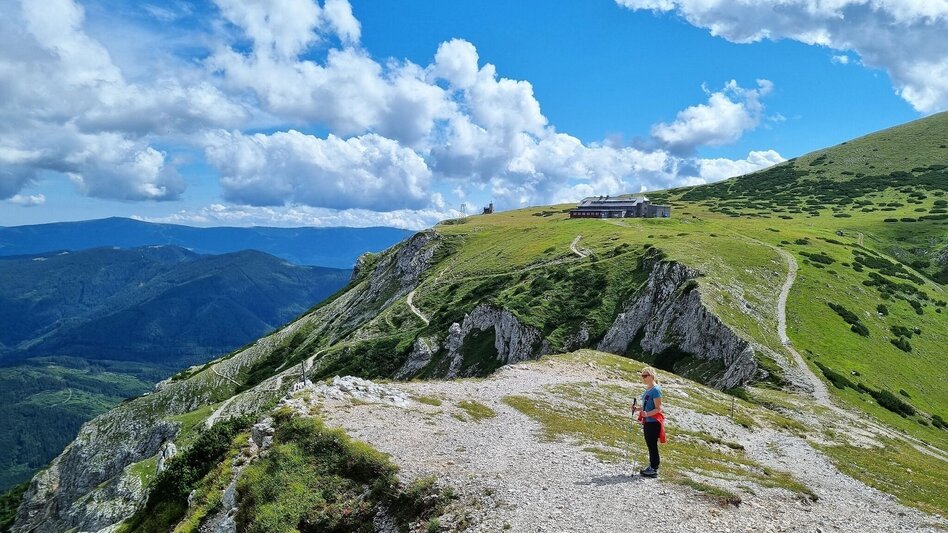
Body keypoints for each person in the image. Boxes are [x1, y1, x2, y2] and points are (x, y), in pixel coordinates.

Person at [632, 366, 665, 478]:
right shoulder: (648, 389)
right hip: (648, 421)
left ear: (651, 376)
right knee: (650, 444)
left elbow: (658, 408)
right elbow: (646, 406)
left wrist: (647, 414)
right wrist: (638, 409)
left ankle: (654, 469)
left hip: (653, 422)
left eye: (645, 376)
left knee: (652, 445)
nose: (643, 378)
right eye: (642, 376)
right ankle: (651, 467)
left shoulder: (656, 390)